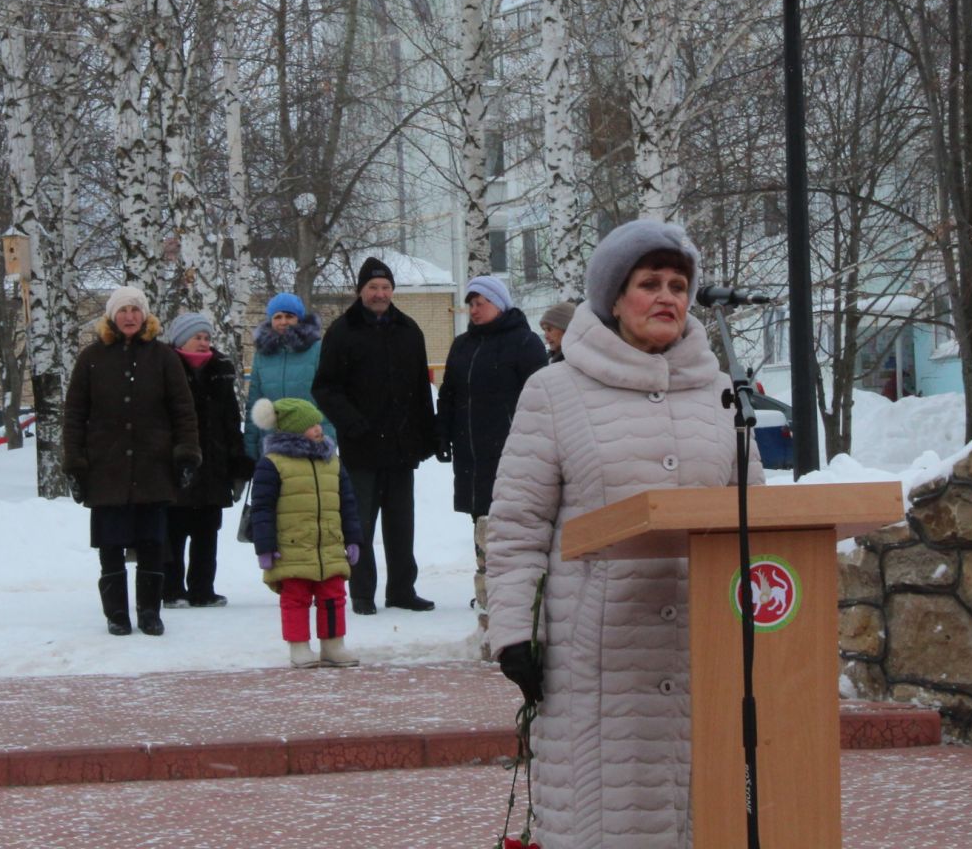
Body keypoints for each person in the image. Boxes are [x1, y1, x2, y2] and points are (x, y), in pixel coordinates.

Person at [486, 220, 758, 848]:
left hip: (703, 655)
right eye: (649, 283)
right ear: (613, 298)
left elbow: (755, 521)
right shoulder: (554, 392)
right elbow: (517, 526)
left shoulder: (723, 395)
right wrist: (514, 634)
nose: (667, 296)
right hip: (594, 660)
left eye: (678, 284)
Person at [60, 285, 201, 637]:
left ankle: (150, 612)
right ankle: (117, 614)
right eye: (123, 310)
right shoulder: (91, 358)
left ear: (145, 316)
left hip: (153, 466)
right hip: (105, 468)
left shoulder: (164, 358)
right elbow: (74, 414)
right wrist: (75, 462)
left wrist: (185, 454)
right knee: (110, 545)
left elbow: (183, 411)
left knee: (153, 544)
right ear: (112, 315)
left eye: (135, 310)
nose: (129, 317)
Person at [310, 258, 437, 616]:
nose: (380, 294)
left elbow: (420, 389)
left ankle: (401, 590)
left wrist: (427, 437)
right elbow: (325, 388)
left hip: (401, 447)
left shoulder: (409, 330)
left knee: (401, 524)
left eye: (385, 288)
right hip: (361, 448)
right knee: (360, 525)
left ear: (392, 291)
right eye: (373, 288)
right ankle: (362, 593)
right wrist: (354, 424)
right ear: (361, 291)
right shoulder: (342, 332)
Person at [437, 275, 547, 640]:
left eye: (481, 301)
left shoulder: (524, 343)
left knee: (510, 523)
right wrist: (443, 433)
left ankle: (514, 598)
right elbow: (449, 393)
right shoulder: (463, 345)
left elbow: (541, 398)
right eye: (470, 303)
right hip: (471, 452)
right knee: (480, 519)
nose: (474, 309)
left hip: (512, 452)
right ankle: (486, 590)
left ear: (500, 303)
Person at [248, 396, 364, 668]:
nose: (318, 429)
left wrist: (353, 538)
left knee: (333, 597)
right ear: (292, 430)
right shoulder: (273, 463)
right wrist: (264, 547)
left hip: (330, 546)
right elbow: (262, 508)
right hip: (291, 547)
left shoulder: (331, 461)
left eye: (318, 423)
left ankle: (333, 645)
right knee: (296, 598)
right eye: (310, 425)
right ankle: (299, 647)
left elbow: (346, 502)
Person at [160, 312, 249, 609]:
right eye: (197, 336)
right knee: (173, 533)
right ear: (181, 339)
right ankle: (171, 588)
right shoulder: (166, 368)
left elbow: (231, 421)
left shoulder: (220, 370)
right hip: (178, 466)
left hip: (214, 465)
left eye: (207, 337)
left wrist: (237, 463)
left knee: (207, 532)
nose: (203, 342)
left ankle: (202, 588)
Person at [242, 293, 332, 463]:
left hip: (310, 442)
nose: (283, 321)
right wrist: (250, 449)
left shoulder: (317, 350)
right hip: (272, 447)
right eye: (278, 317)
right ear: (271, 320)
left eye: (289, 316)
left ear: (299, 318)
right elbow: (254, 403)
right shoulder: (262, 355)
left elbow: (328, 399)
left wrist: (327, 438)